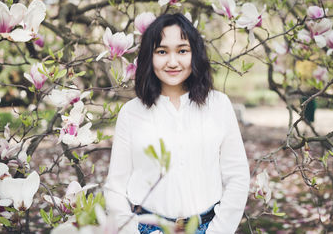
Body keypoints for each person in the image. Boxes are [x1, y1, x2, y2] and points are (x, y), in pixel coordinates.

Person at [104, 13, 250, 234]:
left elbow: (237, 176)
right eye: (162, 52)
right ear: (149, 57)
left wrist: (218, 231)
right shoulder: (131, 113)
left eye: (182, 51)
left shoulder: (219, 105)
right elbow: (115, 187)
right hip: (147, 228)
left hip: (208, 227)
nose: (173, 62)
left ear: (195, 54)